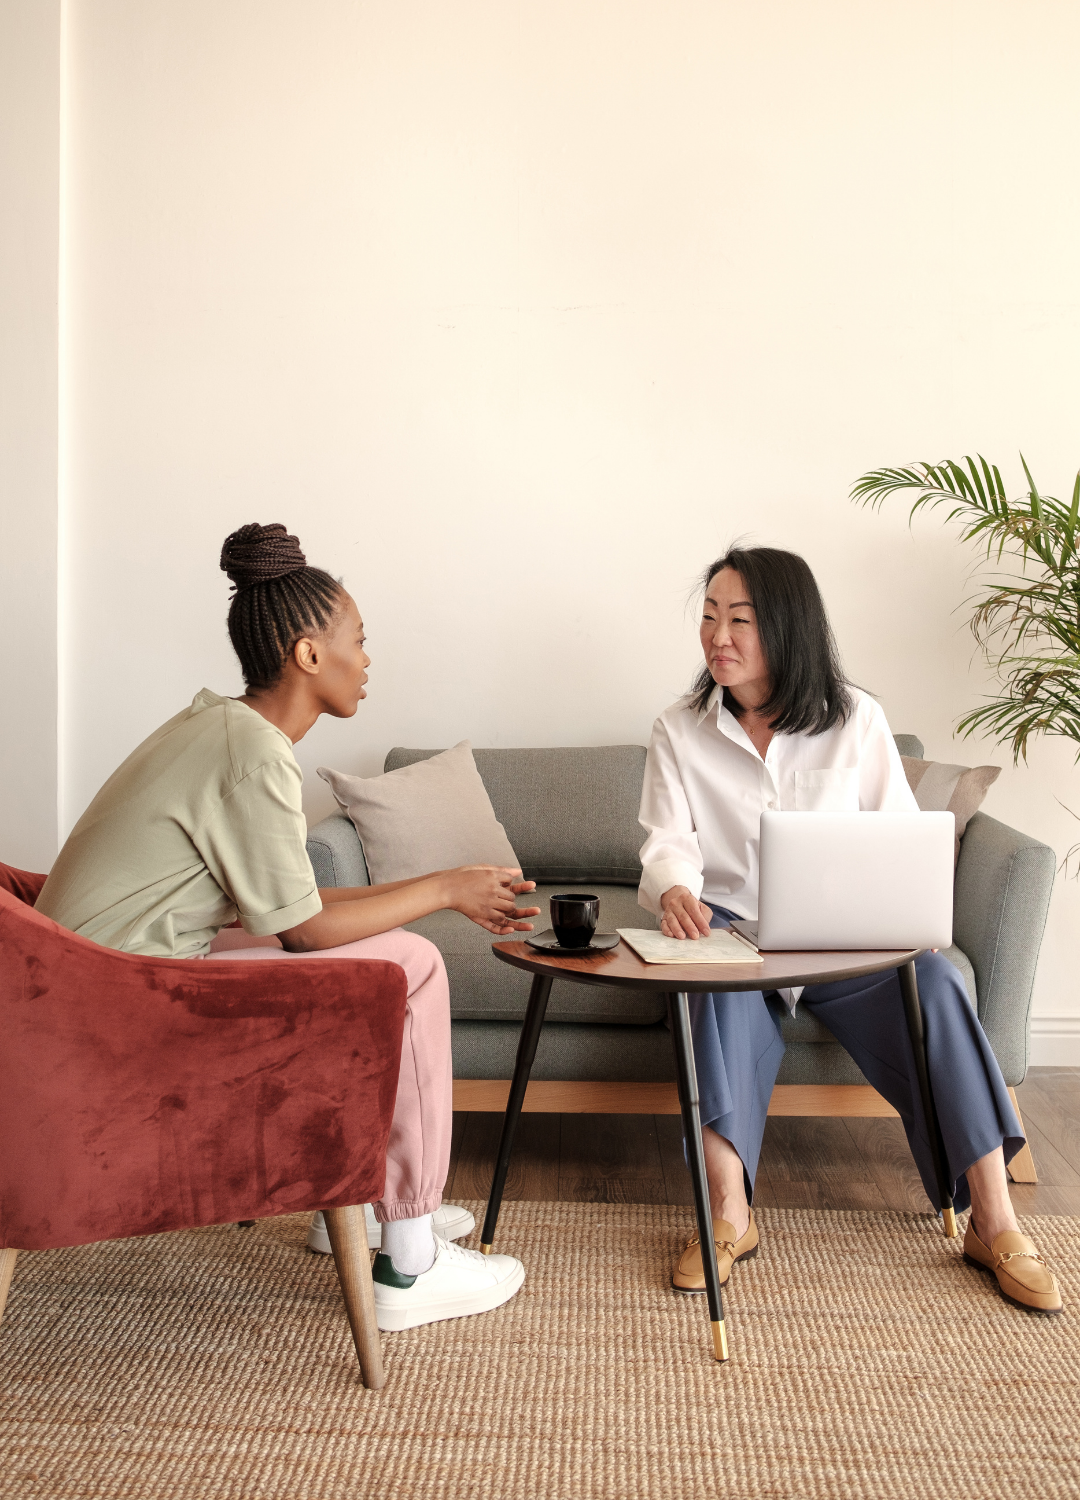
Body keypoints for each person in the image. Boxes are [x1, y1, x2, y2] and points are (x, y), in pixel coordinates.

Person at [36, 522, 541, 1332]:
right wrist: (442, 889)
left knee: (375, 959)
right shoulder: (254, 752)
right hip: (109, 1009)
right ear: (310, 655)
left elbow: (289, 912)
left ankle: (359, 1199)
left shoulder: (222, 729)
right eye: (359, 641)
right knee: (407, 966)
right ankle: (410, 1262)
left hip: (93, 984)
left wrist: (445, 888)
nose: (368, 659)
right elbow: (305, 932)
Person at [637, 545, 1062, 1316]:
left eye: (739, 620)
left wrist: (908, 916)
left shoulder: (856, 718)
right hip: (736, 934)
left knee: (934, 980)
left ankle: (993, 1221)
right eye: (708, 618)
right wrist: (672, 889)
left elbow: (899, 834)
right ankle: (727, 1215)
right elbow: (668, 840)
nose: (716, 637)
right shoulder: (679, 729)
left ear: (788, 627)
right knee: (705, 984)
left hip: (843, 940)